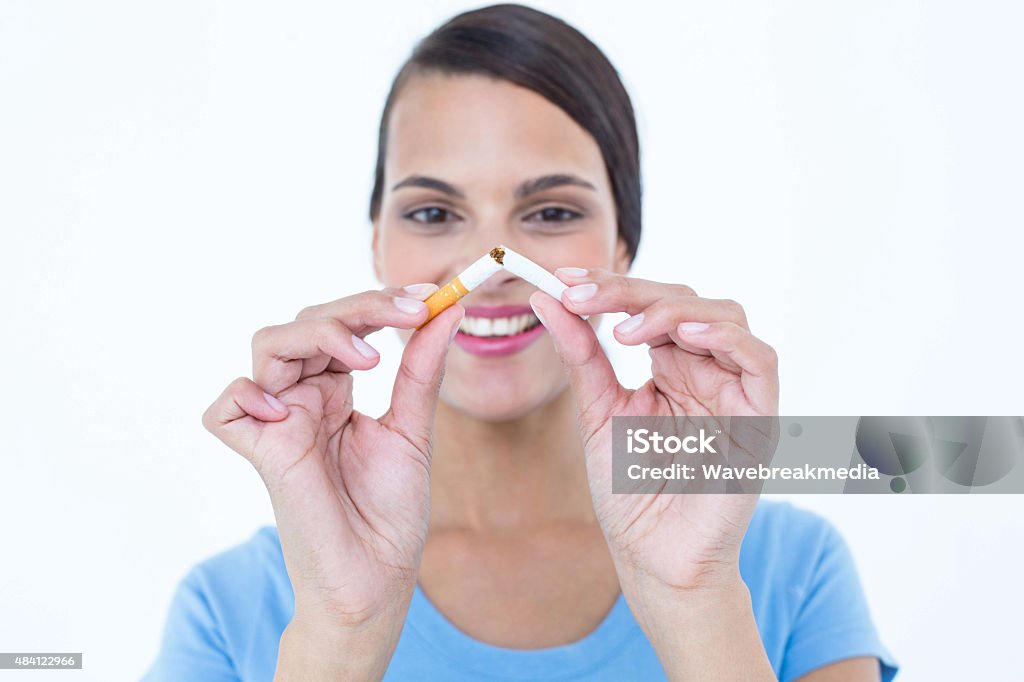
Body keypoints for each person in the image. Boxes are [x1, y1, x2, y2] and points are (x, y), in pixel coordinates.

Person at [143, 4, 899, 680]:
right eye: (435, 214)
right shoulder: (228, 608)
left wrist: (695, 601)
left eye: (551, 213)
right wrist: (341, 634)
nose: (490, 267)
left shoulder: (789, 569)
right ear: (378, 244)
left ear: (623, 242)